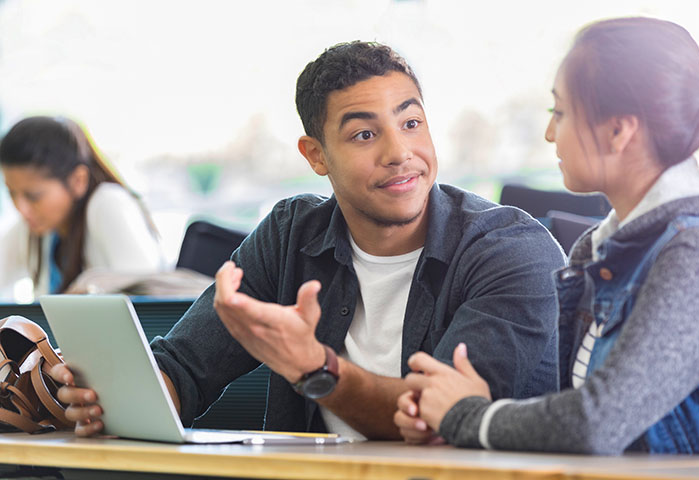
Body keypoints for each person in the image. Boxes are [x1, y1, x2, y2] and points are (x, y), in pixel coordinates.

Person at [52, 41, 565, 440]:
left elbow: (440, 416)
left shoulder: (509, 248)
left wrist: (317, 369)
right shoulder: (292, 234)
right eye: (364, 135)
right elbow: (183, 370)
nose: (399, 151)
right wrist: (107, 402)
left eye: (411, 123)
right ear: (315, 155)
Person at [394, 17, 699, 454]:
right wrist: (462, 414)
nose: (550, 133)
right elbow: (584, 415)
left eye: (560, 113)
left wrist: (470, 416)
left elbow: (594, 424)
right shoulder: (597, 249)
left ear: (619, 130)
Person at [0, 116, 165, 298]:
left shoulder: (108, 203)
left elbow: (147, 293)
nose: (21, 209)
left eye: (34, 196)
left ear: (78, 180)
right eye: (12, 193)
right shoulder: (35, 227)